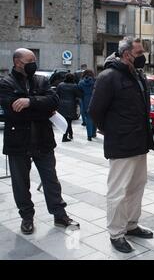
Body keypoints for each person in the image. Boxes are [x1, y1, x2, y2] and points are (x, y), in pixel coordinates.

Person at [0, 48, 80, 235]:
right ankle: (27, 217)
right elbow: (12, 110)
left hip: (43, 140)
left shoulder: (42, 80)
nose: (33, 63)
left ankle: (59, 214)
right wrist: (41, 107)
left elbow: (54, 101)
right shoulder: (5, 83)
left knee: (51, 179)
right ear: (18, 62)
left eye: (34, 59)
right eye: (30, 60)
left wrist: (29, 102)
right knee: (21, 183)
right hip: (18, 142)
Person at [89, 37, 154, 254]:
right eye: (139, 53)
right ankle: (116, 233)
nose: (143, 56)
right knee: (118, 191)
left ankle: (131, 225)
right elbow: (95, 111)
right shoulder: (108, 77)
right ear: (127, 54)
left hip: (140, 142)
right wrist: (109, 130)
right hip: (121, 143)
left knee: (137, 187)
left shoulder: (138, 75)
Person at [56, 73, 82, 142]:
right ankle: (64, 137)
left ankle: (70, 134)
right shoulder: (74, 86)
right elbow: (79, 95)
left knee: (66, 121)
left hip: (61, 105)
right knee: (68, 121)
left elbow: (56, 94)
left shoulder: (60, 85)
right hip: (71, 105)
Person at [78, 69, 96, 141]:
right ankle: (94, 133)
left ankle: (89, 136)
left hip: (85, 100)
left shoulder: (81, 82)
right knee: (95, 117)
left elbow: (79, 92)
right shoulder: (95, 81)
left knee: (88, 118)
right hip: (95, 100)